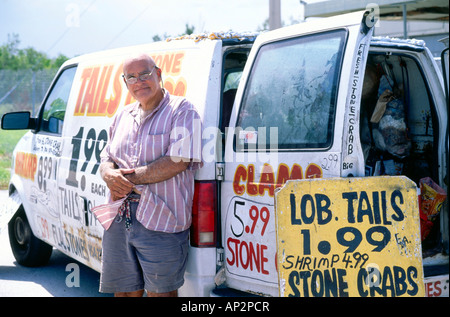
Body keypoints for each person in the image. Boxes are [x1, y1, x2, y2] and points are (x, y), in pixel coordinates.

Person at [98, 53, 202, 297]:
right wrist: (107, 174)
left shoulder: (182, 110)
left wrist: (126, 180)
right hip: (118, 216)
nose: (139, 81)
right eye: (131, 77)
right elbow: (106, 157)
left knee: (161, 294)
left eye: (145, 74)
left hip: (162, 219)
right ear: (125, 83)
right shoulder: (122, 116)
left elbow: (178, 161)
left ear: (158, 74)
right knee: (123, 292)